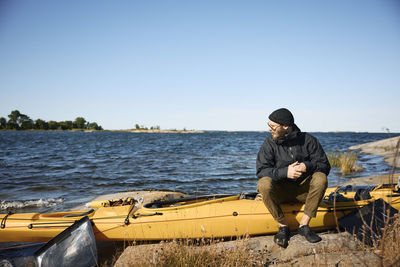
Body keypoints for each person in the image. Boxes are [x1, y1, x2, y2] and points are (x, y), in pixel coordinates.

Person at [256, 108, 331, 248]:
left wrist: (306, 166)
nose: (269, 129)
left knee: (320, 178)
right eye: (269, 125)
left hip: (304, 192)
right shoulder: (269, 144)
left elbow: (325, 166)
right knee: (263, 183)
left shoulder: (309, 140)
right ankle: (283, 226)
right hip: (280, 192)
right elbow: (261, 171)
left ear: (285, 126)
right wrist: (285, 172)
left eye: (272, 126)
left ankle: (304, 226)